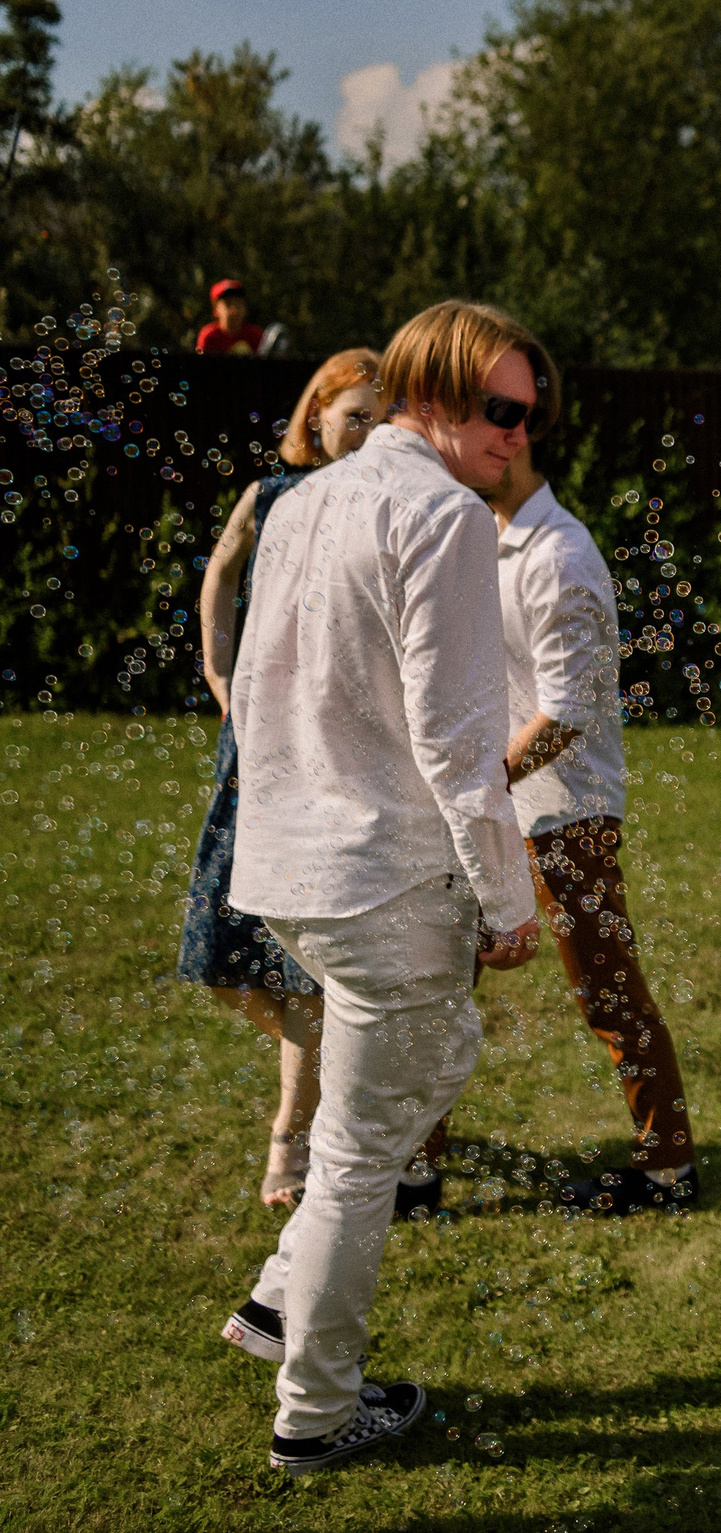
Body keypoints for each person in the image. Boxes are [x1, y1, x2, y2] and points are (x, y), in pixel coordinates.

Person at [215, 300, 548, 1475]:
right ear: (439, 395)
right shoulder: (443, 514)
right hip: (380, 870)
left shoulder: (305, 499)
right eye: (501, 410)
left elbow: (252, 685)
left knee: (430, 1064)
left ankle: (274, 1301)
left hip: (293, 867)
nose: (518, 434)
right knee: (363, 1156)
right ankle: (316, 1411)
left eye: (529, 414)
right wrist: (508, 901)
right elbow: (462, 740)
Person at [182, 348, 380, 1208]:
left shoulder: (385, 506)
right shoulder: (271, 496)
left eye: (384, 417)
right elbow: (221, 573)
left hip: (325, 752)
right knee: (226, 958)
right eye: (355, 415)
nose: (368, 433)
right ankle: (338, 1045)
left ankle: (289, 1139)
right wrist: (218, 675)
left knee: (298, 969)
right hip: (253, 746)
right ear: (317, 416)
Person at [482, 441, 699, 1214]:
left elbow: (567, 710)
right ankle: (411, 1164)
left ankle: (667, 1164)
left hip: (566, 811)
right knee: (436, 984)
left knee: (604, 987)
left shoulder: (560, 554)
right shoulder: (483, 538)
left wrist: (479, 781)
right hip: (492, 804)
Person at [196, 279, 264, 355]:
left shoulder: (255, 335)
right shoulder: (209, 336)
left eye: (238, 303)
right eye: (228, 304)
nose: (234, 310)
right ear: (215, 309)